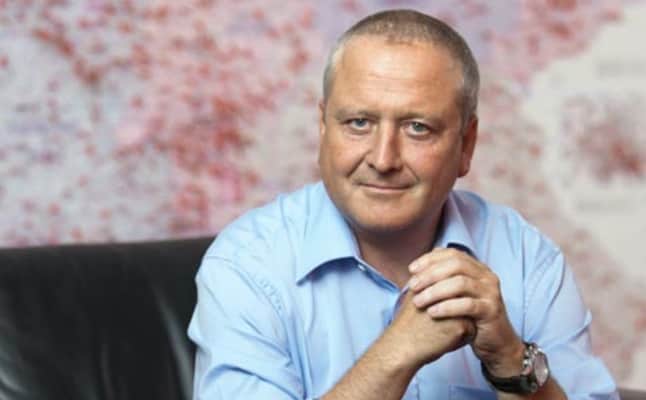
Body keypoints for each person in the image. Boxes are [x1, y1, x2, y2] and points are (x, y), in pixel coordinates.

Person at [188, 9, 618, 400]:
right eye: (359, 123)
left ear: (466, 144)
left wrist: (509, 359)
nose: (383, 159)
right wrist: (397, 353)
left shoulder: (527, 259)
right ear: (322, 127)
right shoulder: (247, 266)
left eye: (417, 128)